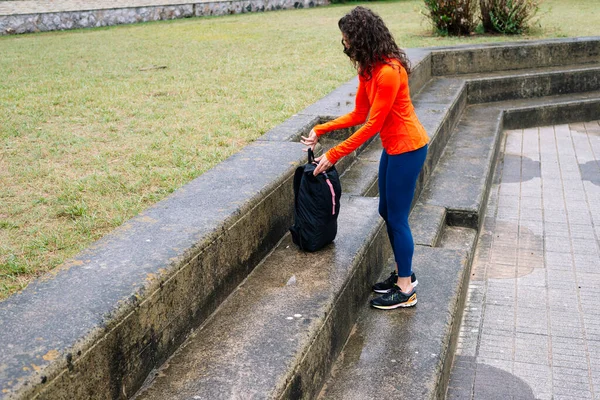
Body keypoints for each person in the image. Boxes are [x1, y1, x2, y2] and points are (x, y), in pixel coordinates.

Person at [301, 6, 429, 310]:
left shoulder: (389, 72)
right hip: (394, 148)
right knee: (386, 210)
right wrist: (322, 128)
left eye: (347, 39)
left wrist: (334, 153)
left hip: (408, 148)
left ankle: (406, 289)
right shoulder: (369, 69)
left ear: (361, 39)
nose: (344, 45)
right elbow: (360, 113)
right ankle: (403, 275)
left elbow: (372, 125)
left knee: (397, 218)